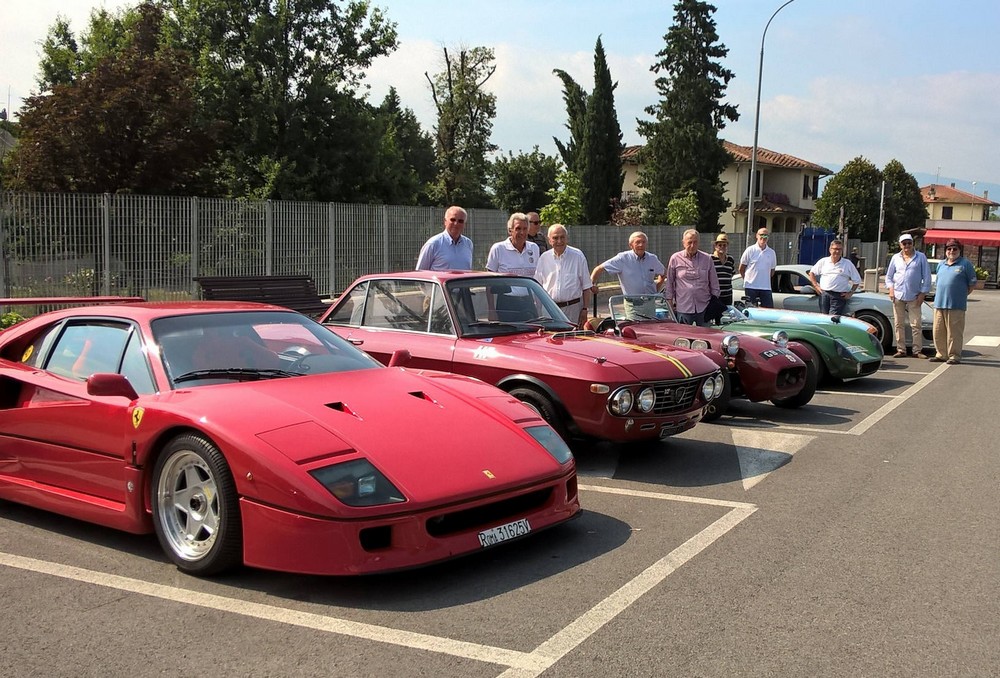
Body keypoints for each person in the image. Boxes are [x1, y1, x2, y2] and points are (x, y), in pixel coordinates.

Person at [591, 231, 665, 319]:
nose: (641, 245)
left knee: (650, 330)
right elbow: (599, 269)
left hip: (650, 304)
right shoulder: (622, 258)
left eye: (643, 242)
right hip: (633, 305)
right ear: (631, 245)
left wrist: (655, 290)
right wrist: (592, 285)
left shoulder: (652, 258)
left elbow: (663, 273)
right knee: (635, 329)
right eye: (637, 242)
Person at [534, 224, 593, 327]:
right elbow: (538, 287)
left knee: (571, 340)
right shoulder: (544, 258)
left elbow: (586, 286)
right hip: (549, 310)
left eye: (562, 237)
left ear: (567, 238)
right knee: (550, 339)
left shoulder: (578, 256)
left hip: (573, 309)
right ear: (549, 240)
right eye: (555, 238)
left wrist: (585, 309)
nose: (559, 241)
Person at [930, 238, 977, 365]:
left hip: (956, 305)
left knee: (954, 332)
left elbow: (972, 284)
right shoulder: (941, 264)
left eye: (954, 249)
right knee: (938, 331)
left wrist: (961, 294)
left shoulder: (965, 264)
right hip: (939, 303)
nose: (951, 251)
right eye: (949, 249)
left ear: (959, 250)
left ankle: (954, 356)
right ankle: (941, 354)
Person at [486, 212, 540, 319]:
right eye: (518, 228)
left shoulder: (534, 248)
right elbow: (488, 282)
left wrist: (538, 306)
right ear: (510, 230)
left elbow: (537, 279)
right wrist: (491, 310)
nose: (522, 232)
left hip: (528, 302)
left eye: (525, 229)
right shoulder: (498, 249)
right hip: (507, 303)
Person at [885, 233, 932, 358]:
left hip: (914, 295)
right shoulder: (895, 258)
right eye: (904, 243)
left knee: (916, 324)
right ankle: (901, 349)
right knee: (898, 324)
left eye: (909, 243)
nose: (907, 246)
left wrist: (923, 293)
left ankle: (917, 350)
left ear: (913, 244)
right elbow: (889, 277)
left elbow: (927, 277)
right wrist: (891, 289)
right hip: (898, 294)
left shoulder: (920, 257)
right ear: (900, 245)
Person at [664, 229, 720, 326]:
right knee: (684, 338)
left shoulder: (707, 258)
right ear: (683, 243)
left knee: (705, 337)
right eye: (689, 242)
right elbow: (670, 282)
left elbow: (714, 283)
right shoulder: (675, 258)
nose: (692, 245)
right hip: (683, 307)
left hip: (704, 306)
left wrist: (713, 302)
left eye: (695, 242)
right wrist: (669, 301)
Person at [807, 239, 862, 316]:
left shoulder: (847, 264)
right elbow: (811, 273)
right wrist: (816, 286)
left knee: (833, 318)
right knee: (824, 317)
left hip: (838, 296)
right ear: (830, 250)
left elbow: (857, 280)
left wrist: (851, 293)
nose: (837, 251)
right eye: (835, 249)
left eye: (840, 249)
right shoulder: (823, 262)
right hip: (824, 294)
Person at [415, 206, 473, 271]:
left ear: (464, 224)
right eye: (452, 220)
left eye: (460, 221)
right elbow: (420, 272)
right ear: (445, 221)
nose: (456, 224)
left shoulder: (468, 244)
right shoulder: (433, 244)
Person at [738, 228, 777, 307]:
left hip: (766, 288)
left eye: (766, 235)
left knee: (768, 311)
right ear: (756, 236)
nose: (763, 237)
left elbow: (772, 271)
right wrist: (748, 280)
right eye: (761, 235)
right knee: (751, 311)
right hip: (751, 287)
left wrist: (763, 279)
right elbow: (741, 269)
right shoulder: (750, 250)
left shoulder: (772, 252)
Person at [711, 232, 736, 320]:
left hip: (728, 295)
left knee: (728, 318)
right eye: (720, 245)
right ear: (716, 246)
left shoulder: (730, 259)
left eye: (724, 245)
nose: (722, 247)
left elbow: (732, 273)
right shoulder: (710, 259)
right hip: (715, 296)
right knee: (716, 319)